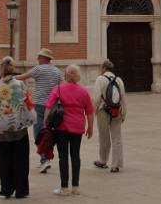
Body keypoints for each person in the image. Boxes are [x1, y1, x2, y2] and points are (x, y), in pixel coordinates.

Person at [0, 56, 36, 200]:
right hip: (19, 128)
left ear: (0, 70)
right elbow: (28, 103)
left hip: (0, 129)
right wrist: (31, 119)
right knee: (21, 160)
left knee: (4, 160)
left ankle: (6, 190)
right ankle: (21, 190)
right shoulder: (20, 85)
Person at [45, 65, 94, 196]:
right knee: (75, 156)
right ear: (78, 75)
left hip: (61, 127)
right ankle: (76, 186)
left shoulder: (59, 89)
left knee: (63, 157)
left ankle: (64, 187)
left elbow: (49, 106)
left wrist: (46, 123)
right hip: (77, 127)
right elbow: (89, 111)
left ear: (66, 75)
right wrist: (90, 127)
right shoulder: (84, 91)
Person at [16, 48, 64, 174]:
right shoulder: (57, 71)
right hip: (53, 107)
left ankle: (44, 159)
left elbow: (23, 77)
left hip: (39, 105)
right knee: (49, 132)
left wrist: (8, 77)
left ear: (43, 58)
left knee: (38, 133)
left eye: (39, 57)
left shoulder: (39, 68)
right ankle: (46, 157)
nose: (37, 59)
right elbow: (62, 87)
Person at [92, 59, 127, 172]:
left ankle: (103, 160)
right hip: (117, 111)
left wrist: (94, 111)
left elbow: (96, 97)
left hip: (103, 111)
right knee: (117, 137)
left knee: (104, 136)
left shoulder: (100, 79)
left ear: (103, 68)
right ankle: (116, 165)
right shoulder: (119, 80)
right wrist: (124, 113)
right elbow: (123, 98)